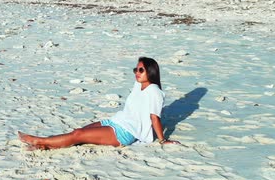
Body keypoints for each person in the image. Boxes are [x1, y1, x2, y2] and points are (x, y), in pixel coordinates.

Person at [18, 57, 180, 149]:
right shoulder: (138, 85)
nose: (136, 73)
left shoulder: (155, 92)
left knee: (78, 136)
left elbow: (154, 118)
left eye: (140, 70)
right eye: (135, 70)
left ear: (151, 71)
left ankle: (39, 141)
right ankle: (47, 143)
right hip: (116, 120)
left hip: (126, 132)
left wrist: (162, 140)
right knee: (78, 132)